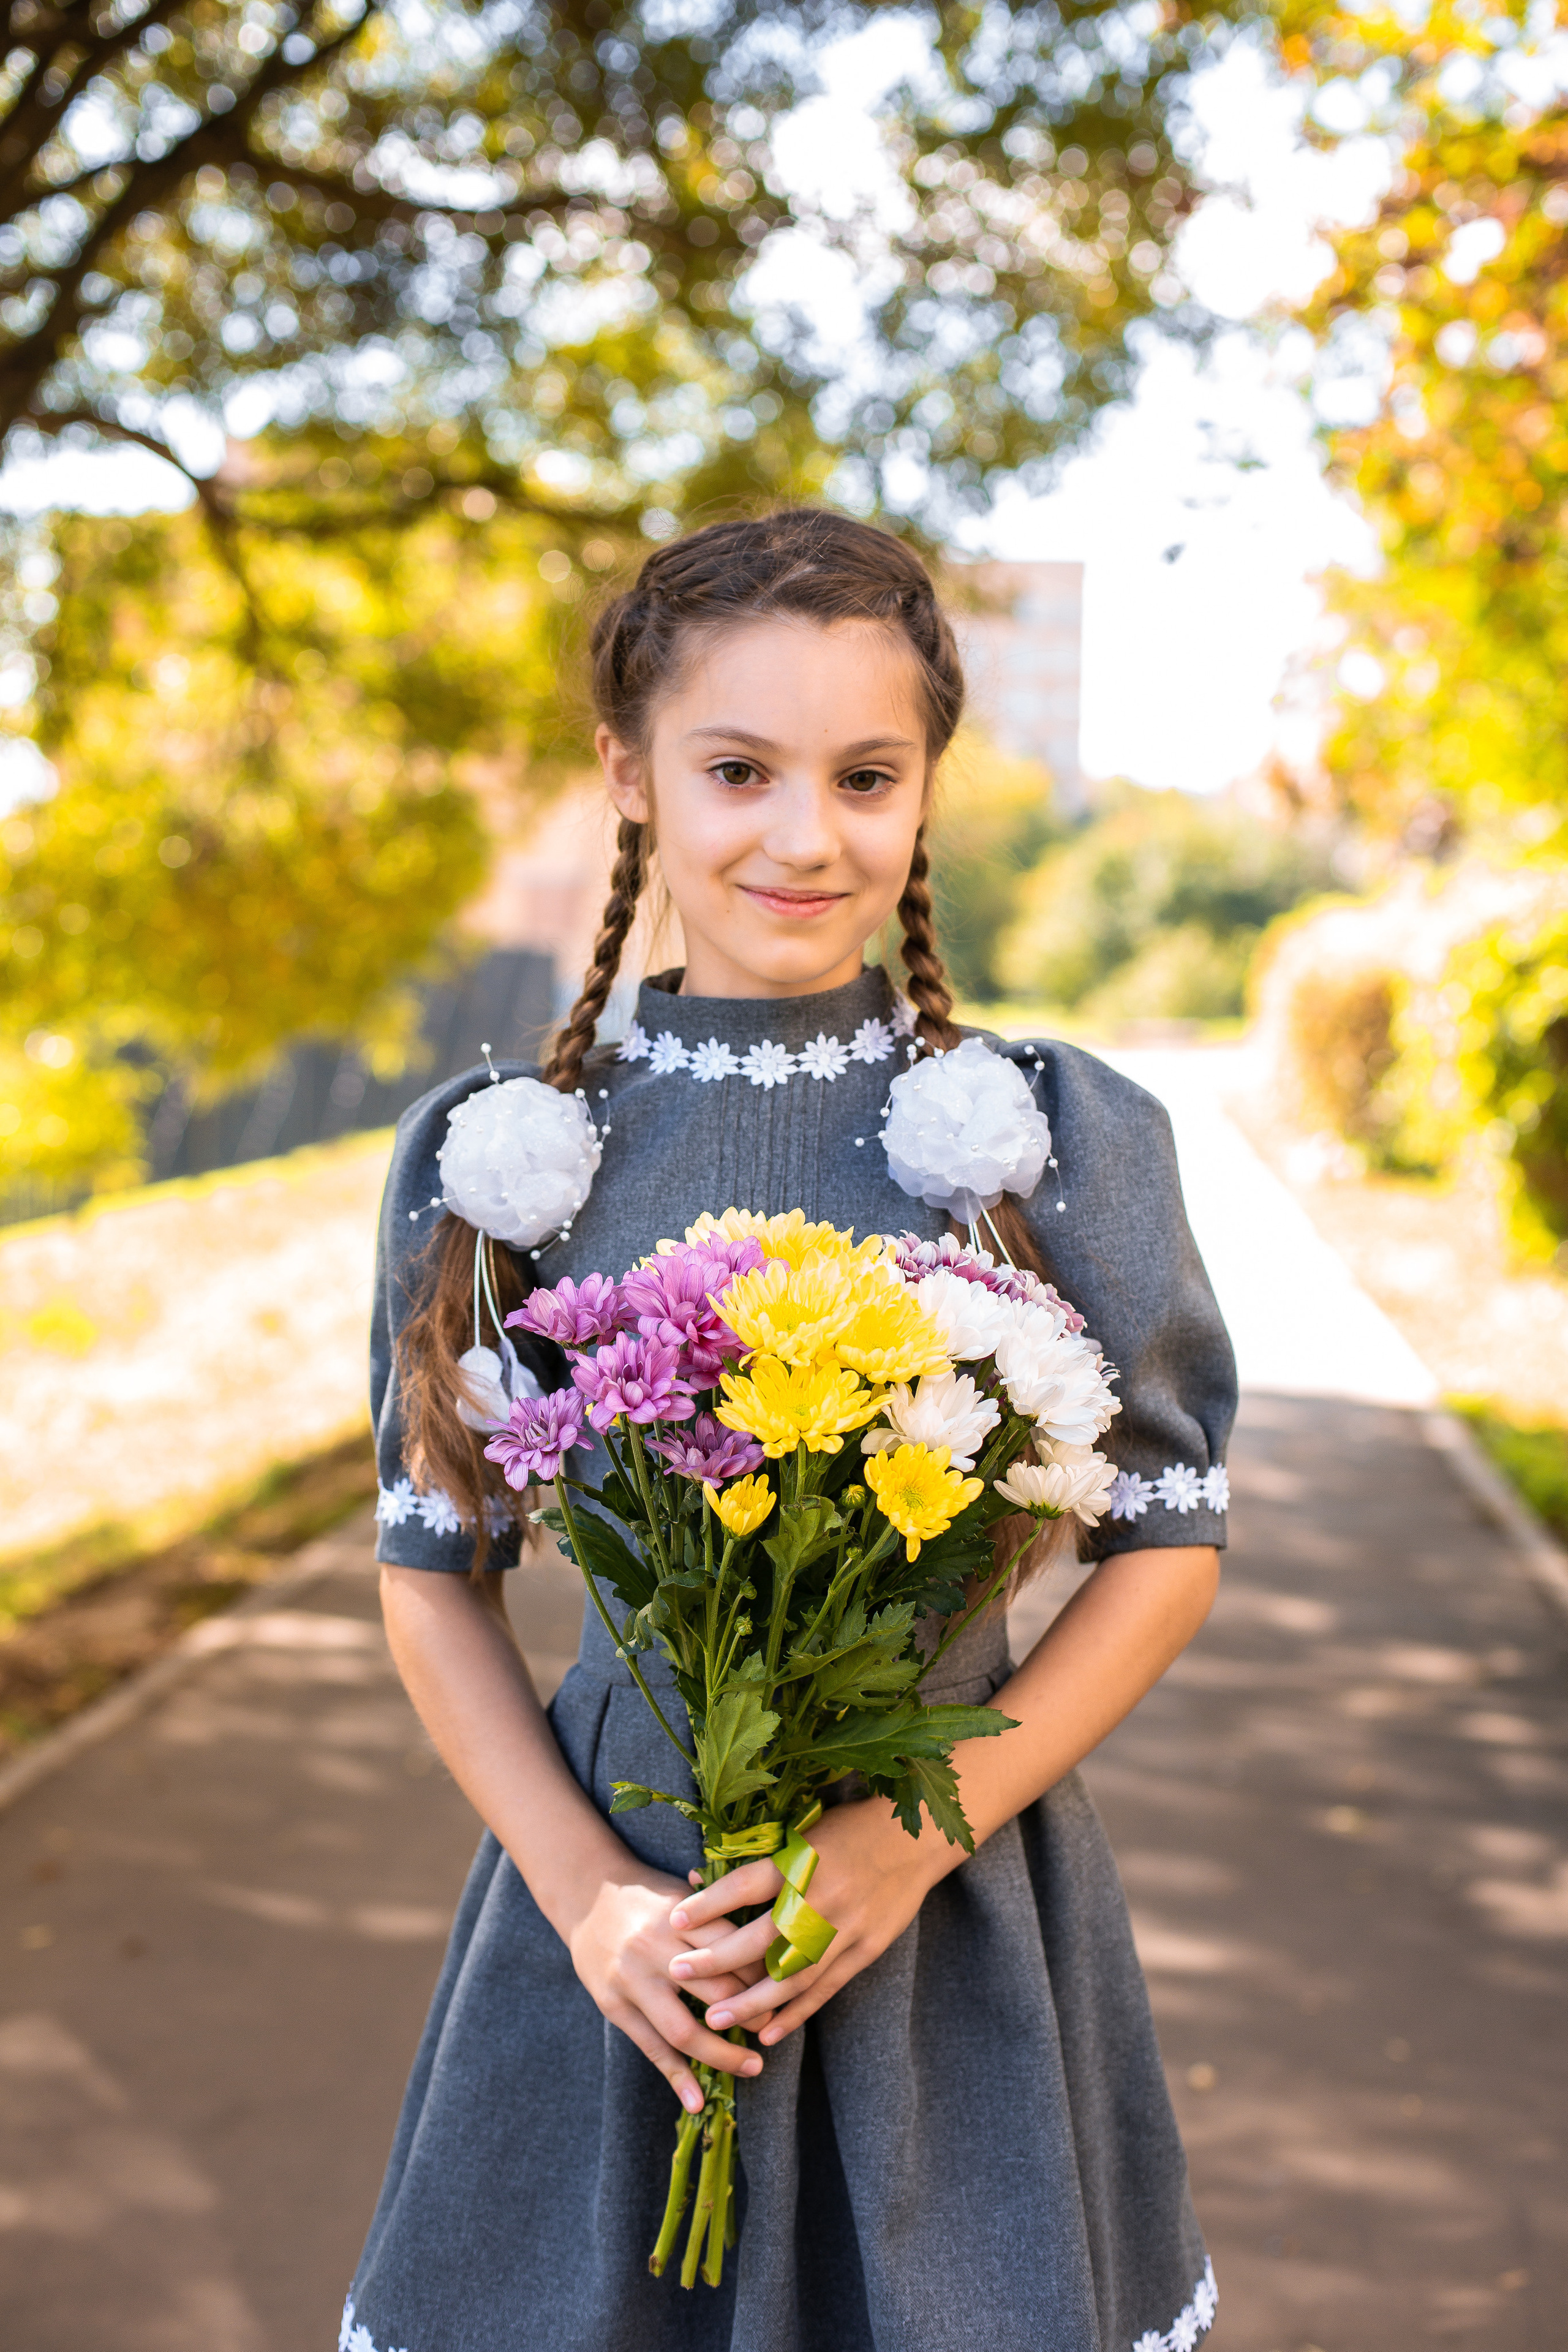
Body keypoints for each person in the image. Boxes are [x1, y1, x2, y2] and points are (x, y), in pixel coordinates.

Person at [345, 510, 1235, 2352]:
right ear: (630, 773)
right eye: (738, 770)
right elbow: (432, 1577)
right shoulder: (508, 1161)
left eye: (866, 776)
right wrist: (591, 1903)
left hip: (948, 1914)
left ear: (925, 792)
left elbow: (1167, 1546)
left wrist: (901, 1846)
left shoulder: (1050, 1137)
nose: (805, 835)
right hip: (622, 1924)